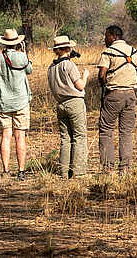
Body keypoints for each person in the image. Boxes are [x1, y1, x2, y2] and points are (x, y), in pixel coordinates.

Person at [97, 25, 137, 175]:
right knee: (126, 132)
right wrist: (131, 82)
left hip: (113, 94)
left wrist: (107, 85)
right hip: (130, 94)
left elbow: (101, 75)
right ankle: (124, 168)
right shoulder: (134, 51)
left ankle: (108, 167)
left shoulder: (108, 52)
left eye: (106, 36)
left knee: (106, 130)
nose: (105, 39)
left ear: (113, 36)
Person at [47, 35, 89, 178]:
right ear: (68, 48)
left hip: (60, 104)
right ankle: (79, 172)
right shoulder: (69, 65)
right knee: (79, 136)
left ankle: (64, 172)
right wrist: (85, 76)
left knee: (65, 138)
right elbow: (80, 85)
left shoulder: (51, 67)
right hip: (74, 102)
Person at [0, 28, 33, 181]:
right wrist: (24, 52)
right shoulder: (22, 56)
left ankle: (6, 170)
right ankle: (21, 171)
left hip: (3, 100)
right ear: (18, 42)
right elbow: (29, 69)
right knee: (20, 136)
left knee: (6, 136)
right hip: (20, 101)